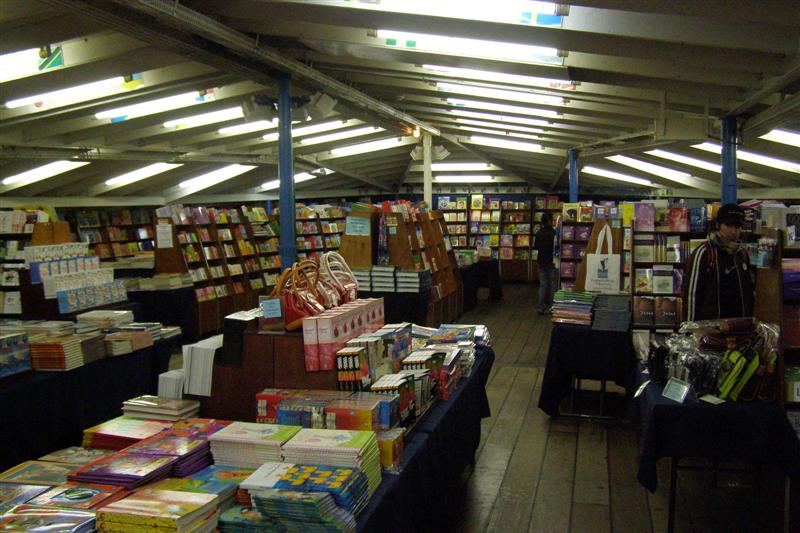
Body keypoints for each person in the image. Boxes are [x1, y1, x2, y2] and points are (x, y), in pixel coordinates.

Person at [685, 203, 754, 321]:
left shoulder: (742, 254)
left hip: (739, 328)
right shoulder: (705, 252)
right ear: (718, 225)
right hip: (711, 329)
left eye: (737, 226)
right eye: (729, 225)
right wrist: (690, 330)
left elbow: (748, 292)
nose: (733, 231)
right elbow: (692, 295)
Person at [534, 213, 557, 315]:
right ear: (549, 221)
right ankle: (551, 306)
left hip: (541, 261)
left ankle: (540, 306)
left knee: (543, 284)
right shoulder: (554, 233)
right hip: (551, 261)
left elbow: (536, 246)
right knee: (552, 284)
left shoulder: (539, 232)